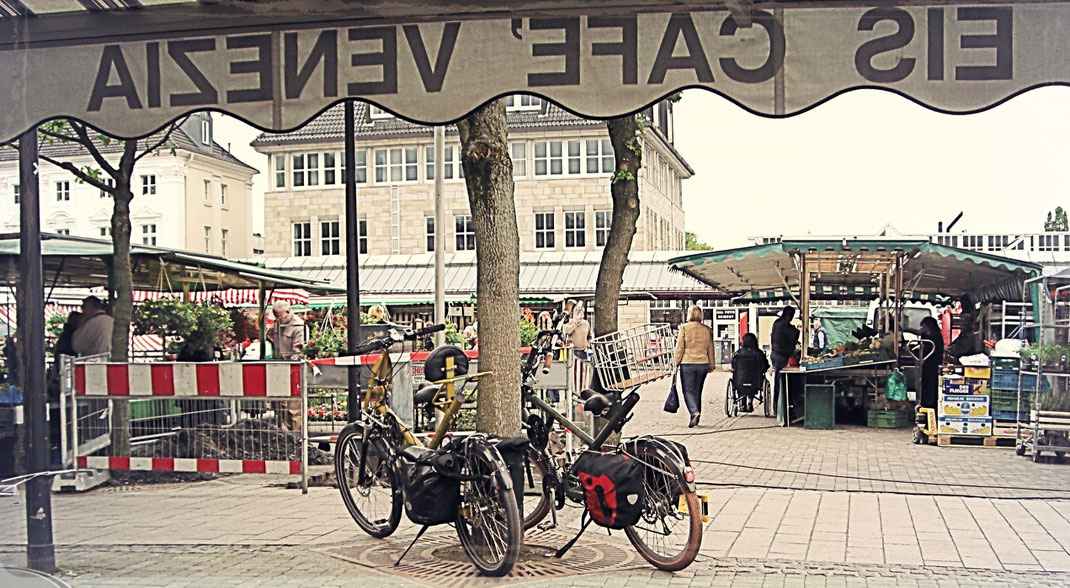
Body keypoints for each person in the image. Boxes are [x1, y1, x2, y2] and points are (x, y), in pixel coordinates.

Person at [674, 305, 716, 428]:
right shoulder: (707, 329)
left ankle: (694, 412)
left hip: (687, 362)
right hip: (703, 363)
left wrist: (676, 362)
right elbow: (710, 348)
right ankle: (696, 417)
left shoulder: (684, 328)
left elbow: (680, 347)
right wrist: (711, 364)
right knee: (697, 391)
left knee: (687, 390)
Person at [769, 307, 800, 423]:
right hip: (780, 356)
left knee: (779, 382)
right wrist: (796, 331)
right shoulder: (784, 325)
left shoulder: (777, 323)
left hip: (776, 354)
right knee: (779, 382)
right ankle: (778, 408)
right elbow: (792, 336)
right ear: (790, 315)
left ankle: (778, 408)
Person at [731, 333, 769, 413]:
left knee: (740, 383)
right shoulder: (759, 353)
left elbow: (733, 367)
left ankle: (742, 403)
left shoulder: (738, 354)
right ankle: (749, 403)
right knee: (753, 383)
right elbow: (764, 366)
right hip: (756, 380)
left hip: (740, 380)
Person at [563, 303, 593, 399]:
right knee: (573, 373)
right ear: (574, 314)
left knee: (583, 372)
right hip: (573, 352)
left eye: (581, 314)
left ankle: (583, 392)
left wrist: (587, 344)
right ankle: (573, 392)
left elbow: (590, 336)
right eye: (578, 314)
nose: (580, 317)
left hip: (583, 351)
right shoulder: (569, 323)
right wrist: (575, 323)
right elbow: (567, 332)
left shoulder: (586, 324)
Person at [918, 316, 944, 410]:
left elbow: (928, 349)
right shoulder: (931, 335)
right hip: (928, 364)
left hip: (932, 365)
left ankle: (929, 405)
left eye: (923, 327)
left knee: (930, 386)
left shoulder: (935, 336)